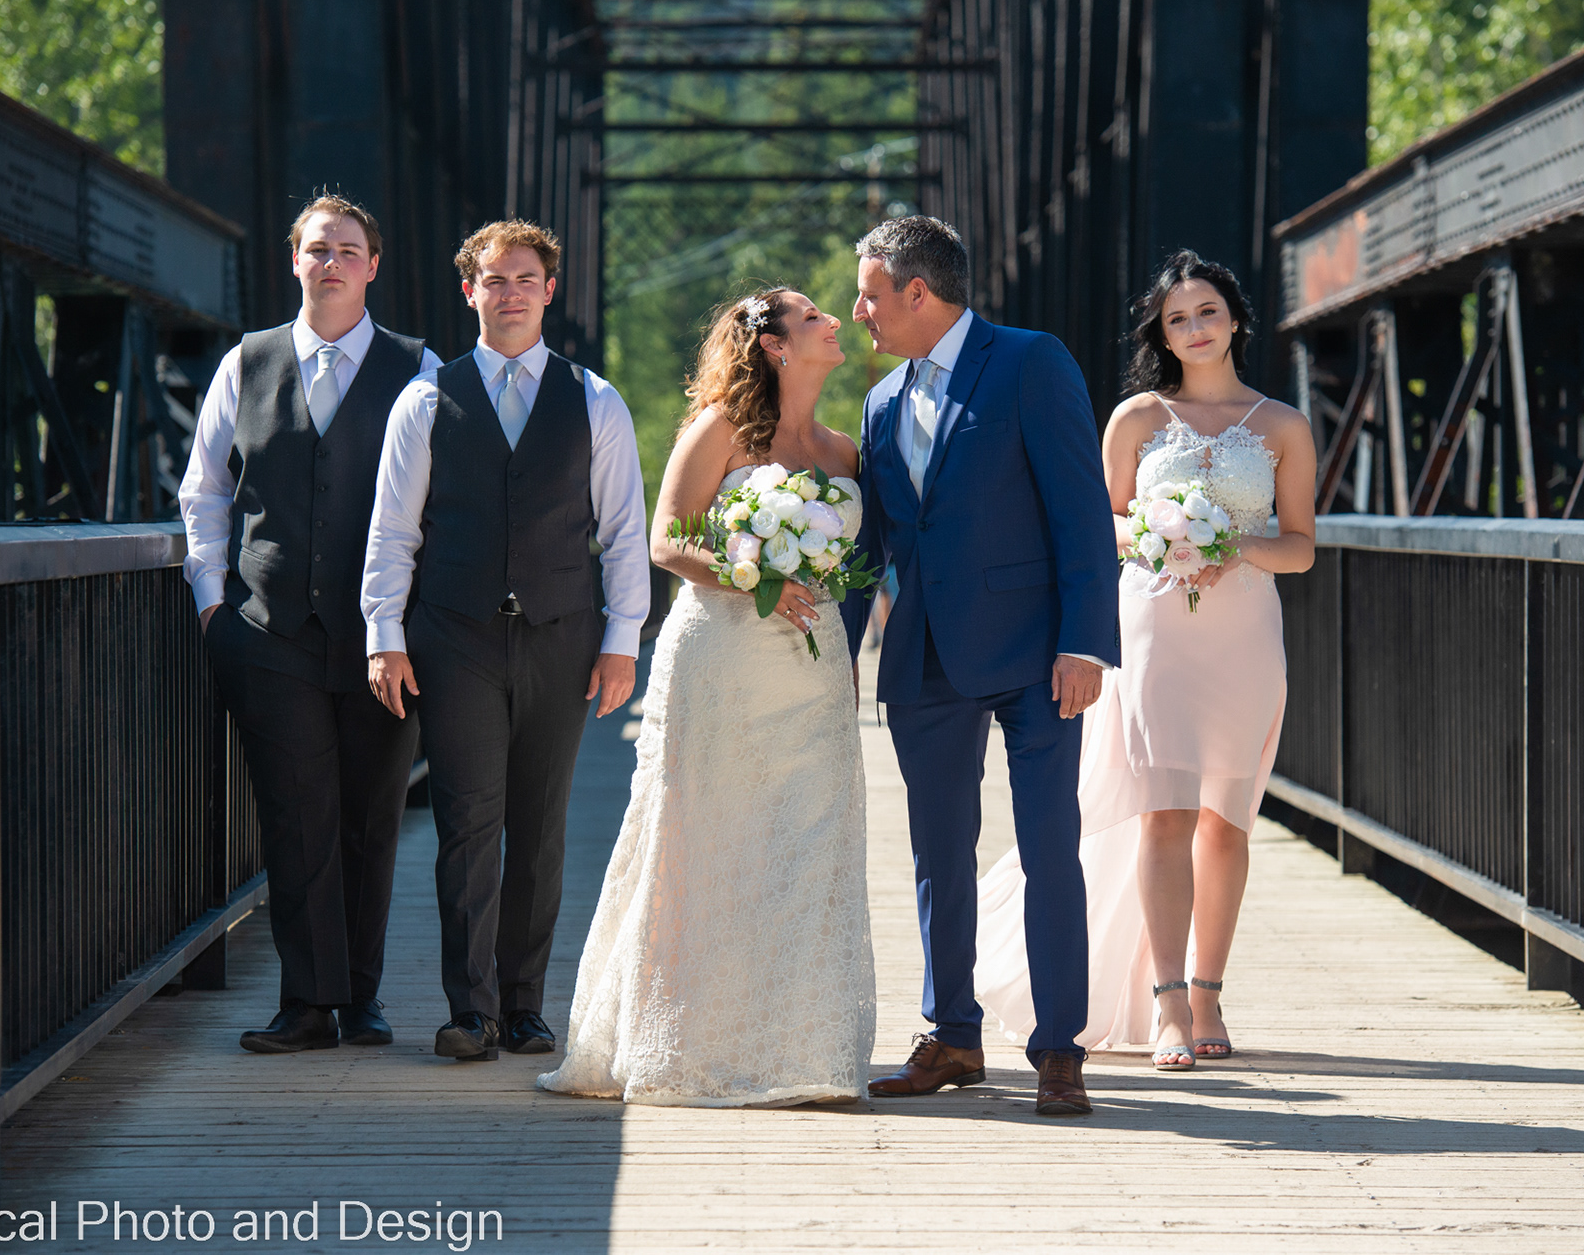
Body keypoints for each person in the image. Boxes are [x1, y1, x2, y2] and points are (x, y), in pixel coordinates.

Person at [974, 250, 1315, 1069]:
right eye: (1177, 319)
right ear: (1161, 333)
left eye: (1207, 312)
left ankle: (1209, 996)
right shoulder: (1136, 418)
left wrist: (1232, 541)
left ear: (1234, 318)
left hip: (1242, 635)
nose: (1195, 329)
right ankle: (1166, 1008)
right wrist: (1166, 532)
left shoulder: (1280, 426)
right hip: (1154, 628)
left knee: (1226, 826)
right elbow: (1104, 526)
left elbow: (1300, 548)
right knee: (1165, 815)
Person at [537, 287, 876, 1107]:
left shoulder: (844, 451)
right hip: (720, 655)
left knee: (809, 846)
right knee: (701, 840)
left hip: (811, 662)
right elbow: (668, 538)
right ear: (775, 347)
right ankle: (683, 1041)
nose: (835, 321)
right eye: (813, 316)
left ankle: (798, 1047)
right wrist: (756, 575)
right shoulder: (722, 429)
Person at [838, 216, 1119, 1117]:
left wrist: (1087, 641)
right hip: (923, 659)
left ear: (919, 293)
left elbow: (1080, 508)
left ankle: (1057, 1050)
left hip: (1039, 656)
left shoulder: (1033, 362)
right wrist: (829, 658)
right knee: (936, 857)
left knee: (1049, 851)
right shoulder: (882, 403)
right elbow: (874, 549)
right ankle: (952, 1036)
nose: (860, 311)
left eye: (871, 293)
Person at [361, 219, 649, 1063]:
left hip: (562, 638)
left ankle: (526, 1004)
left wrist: (622, 639)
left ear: (549, 290)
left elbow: (625, 533)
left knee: (541, 825)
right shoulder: (424, 399)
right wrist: (385, 633)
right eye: (495, 279)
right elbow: (392, 533)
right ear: (470, 290)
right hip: (454, 639)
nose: (512, 292)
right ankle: (470, 1010)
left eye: (527, 279)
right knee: (468, 824)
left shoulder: (595, 400)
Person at [179, 194, 439, 1053]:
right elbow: (206, 491)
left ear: (372, 267)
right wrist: (212, 601)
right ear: (295, 260)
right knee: (295, 815)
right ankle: (308, 1001)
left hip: (381, 640)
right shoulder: (246, 364)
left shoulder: (419, 368)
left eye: (348, 249)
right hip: (267, 627)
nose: (331, 261)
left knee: (370, 815)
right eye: (317, 248)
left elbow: (445, 499)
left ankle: (360, 997)